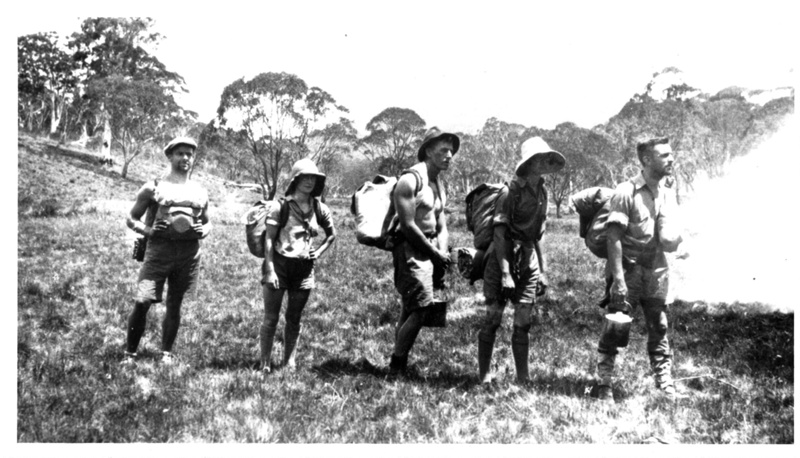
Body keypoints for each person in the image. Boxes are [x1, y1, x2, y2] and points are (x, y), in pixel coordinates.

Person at [595, 137, 683, 400]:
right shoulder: (626, 191)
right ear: (646, 160)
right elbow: (613, 238)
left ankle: (664, 383)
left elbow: (669, 234)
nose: (671, 159)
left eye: (671, 154)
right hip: (629, 271)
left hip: (657, 270)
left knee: (660, 325)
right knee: (616, 326)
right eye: (664, 155)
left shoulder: (667, 192)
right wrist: (618, 281)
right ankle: (604, 385)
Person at [478, 137, 565, 384]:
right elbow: (500, 232)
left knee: (523, 320)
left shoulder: (543, 192)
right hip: (502, 257)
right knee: (493, 318)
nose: (543, 162)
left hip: (528, 260)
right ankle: (484, 376)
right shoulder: (510, 192)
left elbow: (540, 234)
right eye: (538, 158)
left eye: (545, 158)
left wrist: (543, 271)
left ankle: (523, 377)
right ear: (528, 163)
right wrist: (505, 273)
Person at [124, 136, 211, 363]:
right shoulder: (153, 187)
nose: (185, 158)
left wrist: (204, 230)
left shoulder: (199, 191)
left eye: (189, 154)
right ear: (170, 156)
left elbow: (208, 221)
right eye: (180, 153)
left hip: (188, 256)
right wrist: (150, 231)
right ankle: (130, 353)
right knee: (143, 301)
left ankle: (166, 354)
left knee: (175, 303)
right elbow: (131, 218)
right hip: (157, 254)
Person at [388, 127, 458, 374]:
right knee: (422, 308)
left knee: (410, 308)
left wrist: (442, 252)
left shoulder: (437, 182)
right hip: (410, 249)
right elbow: (407, 225)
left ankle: (399, 362)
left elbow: (440, 223)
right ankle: (397, 363)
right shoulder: (409, 181)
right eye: (443, 150)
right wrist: (434, 253)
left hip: (430, 250)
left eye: (451, 151)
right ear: (428, 151)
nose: (449, 155)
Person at [260, 159, 336, 373]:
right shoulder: (280, 206)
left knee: (294, 318)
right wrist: (270, 269)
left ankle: (289, 361)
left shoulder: (319, 207)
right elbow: (269, 240)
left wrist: (317, 252)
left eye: (314, 178)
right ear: (296, 179)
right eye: (305, 177)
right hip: (279, 265)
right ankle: (264, 362)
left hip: (304, 269)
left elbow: (332, 235)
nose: (309, 182)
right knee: (271, 317)